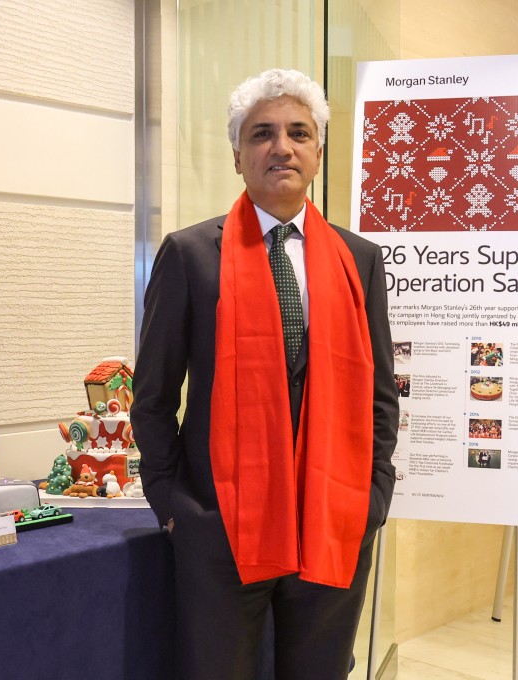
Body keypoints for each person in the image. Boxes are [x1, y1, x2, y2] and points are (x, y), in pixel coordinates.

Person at [131, 68, 399, 680]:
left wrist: (372, 498)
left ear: (318, 153)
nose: (282, 147)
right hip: (221, 525)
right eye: (262, 134)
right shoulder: (192, 254)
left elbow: (381, 397)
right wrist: (172, 501)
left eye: (298, 133)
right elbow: (151, 398)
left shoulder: (358, 259)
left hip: (332, 519)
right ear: (237, 156)